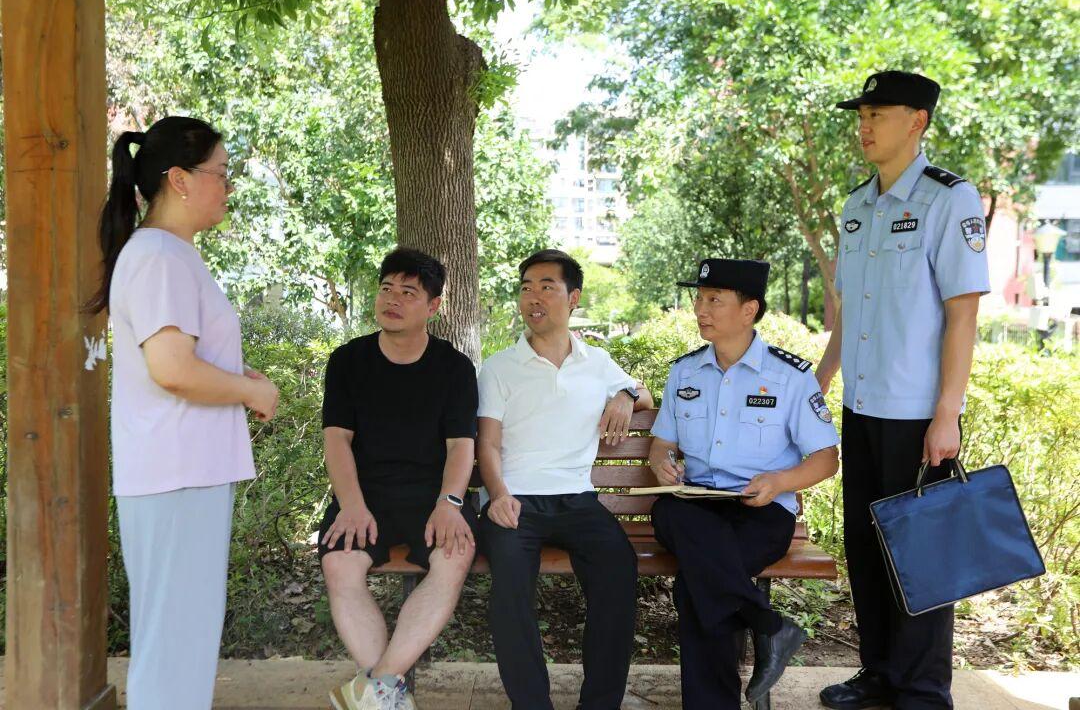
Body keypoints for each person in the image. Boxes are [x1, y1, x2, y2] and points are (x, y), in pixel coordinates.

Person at [88, 116, 280, 709]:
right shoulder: (160, 256)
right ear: (179, 179)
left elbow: (183, 360)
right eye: (220, 172)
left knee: (179, 641)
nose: (228, 186)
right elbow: (172, 368)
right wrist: (249, 392)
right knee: (174, 645)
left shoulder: (166, 254)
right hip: (178, 475)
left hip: (182, 473)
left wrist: (236, 378)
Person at [816, 71, 990, 710]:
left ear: (917, 121)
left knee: (921, 556)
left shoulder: (950, 199)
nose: (864, 126)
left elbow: (963, 313)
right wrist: (820, 381)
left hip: (918, 414)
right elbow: (848, 314)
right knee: (866, 549)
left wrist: (948, 413)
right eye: (861, 115)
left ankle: (921, 690)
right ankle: (880, 674)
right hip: (861, 409)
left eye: (878, 114)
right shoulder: (856, 206)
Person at [646, 258, 840, 709]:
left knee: (696, 583)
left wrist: (781, 480)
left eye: (714, 300)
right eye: (699, 299)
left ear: (749, 309)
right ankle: (769, 626)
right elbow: (662, 444)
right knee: (670, 513)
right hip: (694, 506)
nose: (701, 309)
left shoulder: (789, 376)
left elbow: (826, 459)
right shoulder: (684, 372)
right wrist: (662, 462)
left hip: (760, 511)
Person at [476, 249, 653, 710]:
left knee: (618, 569)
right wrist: (498, 494)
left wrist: (623, 394)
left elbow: (645, 394)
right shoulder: (499, 367)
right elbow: (487, 444)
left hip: (577, 499)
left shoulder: (598, 362)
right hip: (516, 498)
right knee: (510, 584)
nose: (533, 297)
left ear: (573, 298)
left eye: (546, 287)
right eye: (526, 288)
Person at [318, 248, 479, 710]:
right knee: (340, 564)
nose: (393, 299)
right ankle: (385, 696)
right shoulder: (348, 361)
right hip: (364, 496)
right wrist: (351, 505)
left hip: (433, 497)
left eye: (408, 292)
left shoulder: (454, 368)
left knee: (454, 557)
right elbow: (337, 440)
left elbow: (460, 446)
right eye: (386, 288)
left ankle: (377, 688)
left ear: (433, 306)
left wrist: (449, 503)